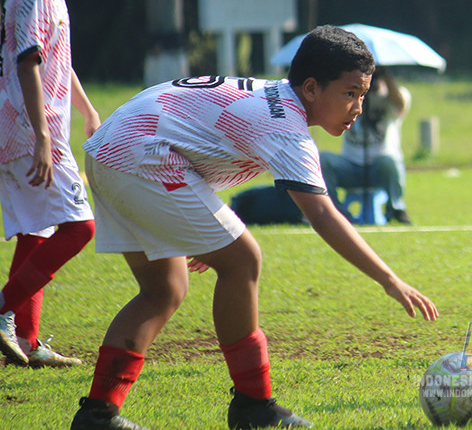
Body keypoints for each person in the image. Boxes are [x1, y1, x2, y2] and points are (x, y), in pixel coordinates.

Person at [69, 26, 438, 430]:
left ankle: (97, 415)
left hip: (111, 150)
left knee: (164, 290)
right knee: (243, 260)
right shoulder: (286, 127)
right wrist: (389, 280)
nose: (358, 107)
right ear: (311, 88)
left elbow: (198, 130)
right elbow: (323, 215)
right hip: (140, 155)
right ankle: (253, 406)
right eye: (350, 93)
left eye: (363, 95)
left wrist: (195, 219)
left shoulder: (273, 97)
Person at [0, 0, 104, 368]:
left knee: (37, 231)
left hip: (41, 131)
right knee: (80, 227)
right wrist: (43, 135)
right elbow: (28, 63)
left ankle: (26, 340)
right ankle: (2, 311)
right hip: (27, 134)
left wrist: (85, 108)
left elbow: (58, 61)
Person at [320, 67, 412, 224]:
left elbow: (400, 104)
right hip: (350, 165)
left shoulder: (392, 97)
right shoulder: (350, 99)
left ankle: (396, 208)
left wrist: (385, 75)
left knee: (389, 161)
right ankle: (335, 211)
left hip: (379, 168)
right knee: (323, 159)